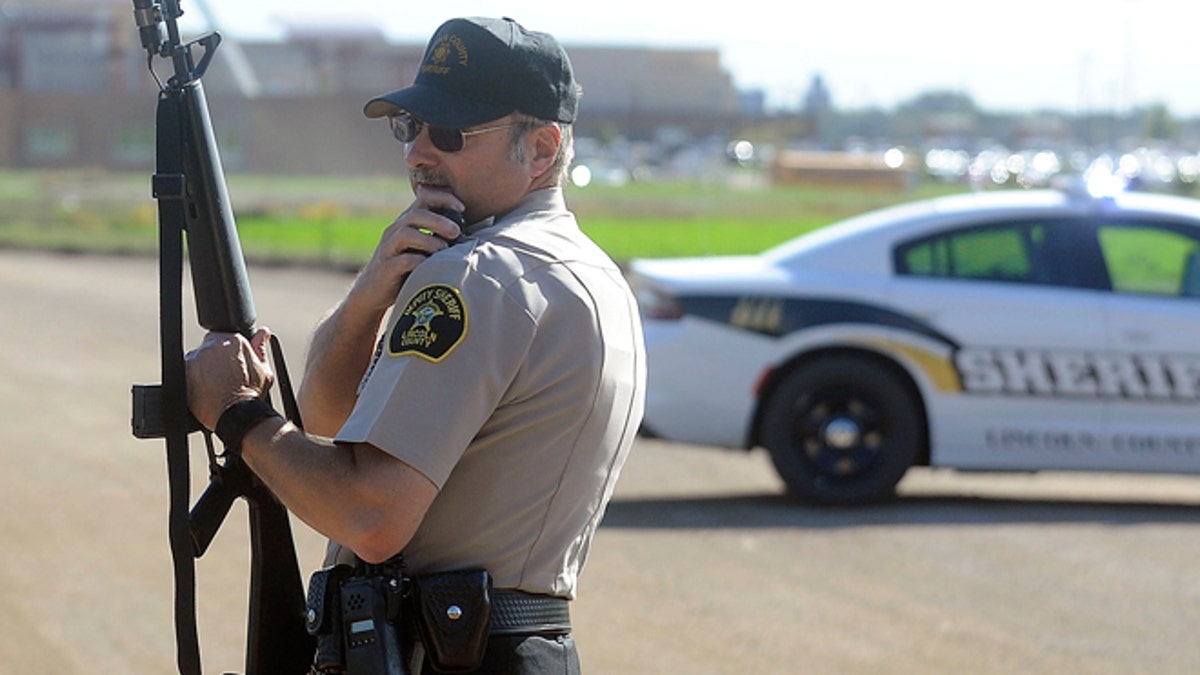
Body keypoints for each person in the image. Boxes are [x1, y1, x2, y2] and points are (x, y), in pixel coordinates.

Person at [184, 15, 645, 674]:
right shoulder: (592, 274)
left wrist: (238, 413)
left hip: (441, 653)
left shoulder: (476, 275)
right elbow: (329, 421)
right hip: (519, 648)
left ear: (542, 149)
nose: (418, 152)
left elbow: (368, 515)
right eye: (412, 127)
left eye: (451, 132)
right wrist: (371, 292)